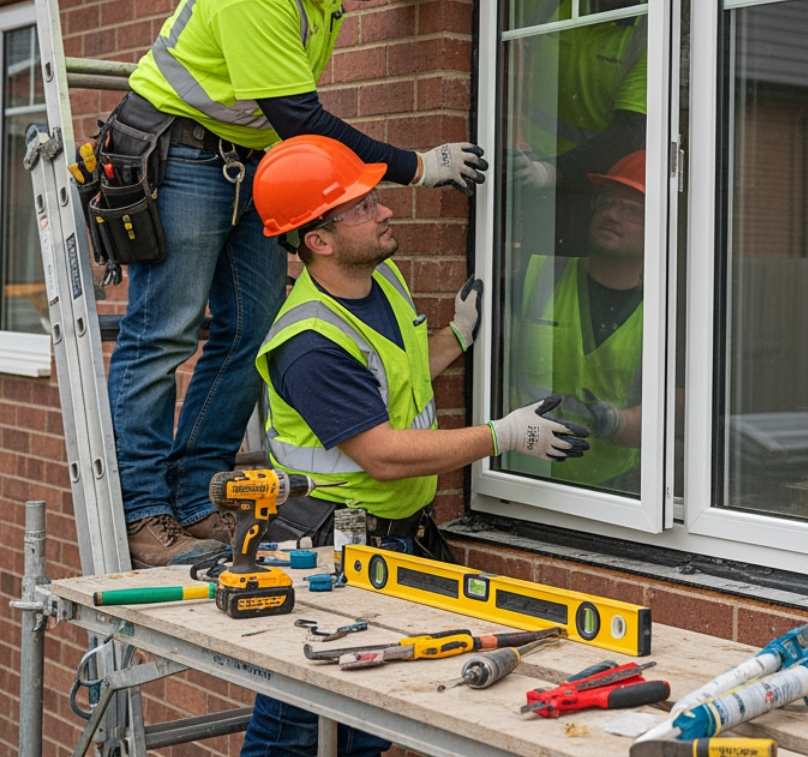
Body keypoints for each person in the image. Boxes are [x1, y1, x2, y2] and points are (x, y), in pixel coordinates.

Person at [107, 0, 505, 568]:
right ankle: (145, 513)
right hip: (182, 156)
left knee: (249, 330)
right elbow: (303, 122)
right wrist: (417, 166)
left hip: (245, 165)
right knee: (163, 336)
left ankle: (198, 500)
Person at [240, 135, 590, 757]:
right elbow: (379, 451)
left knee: (371, 728)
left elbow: (400, 373)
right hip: (328, 554)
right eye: (364, 207)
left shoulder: (383, 279)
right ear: (317, 240)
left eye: (377, 198)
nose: (387, 211)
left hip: (390, 539)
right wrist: (502, 437)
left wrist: (457, 335)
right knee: (297, 735)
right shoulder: (310, 342)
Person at [506, 0, 650, 253]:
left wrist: (551, 172)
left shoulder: (649, 26)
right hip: (530, 179)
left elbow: (630, 132)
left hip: (598, 187)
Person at [509, 151, 646, 493]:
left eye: (633, 210)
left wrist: (614, 422)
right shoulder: (537, 277)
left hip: (611, 491)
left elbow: (672, 417)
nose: (612, 214)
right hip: (517, 477)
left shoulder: (663, 313)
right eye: (607, 201)